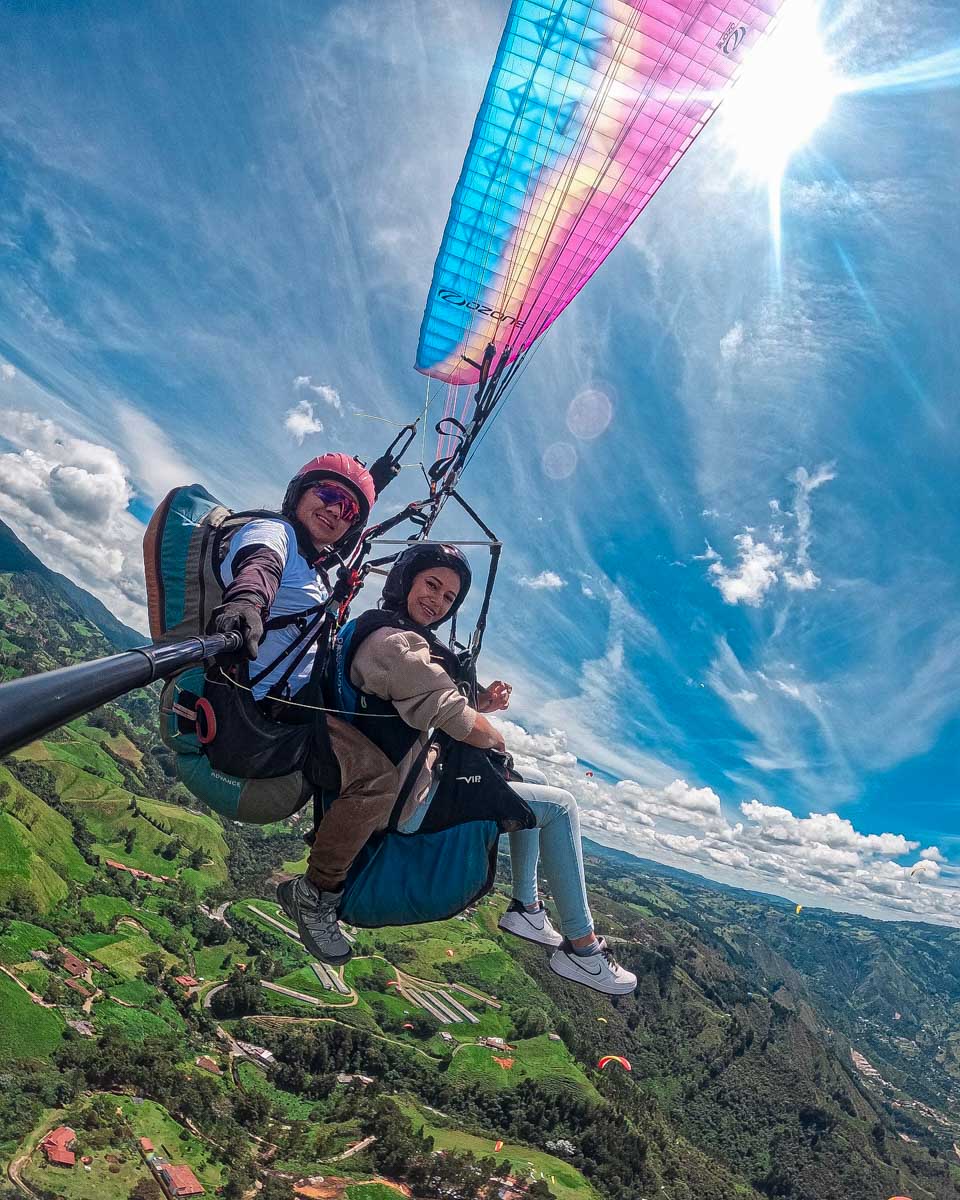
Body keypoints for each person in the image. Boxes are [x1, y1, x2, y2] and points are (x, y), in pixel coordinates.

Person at [279, 541, 637, 996]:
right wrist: (494, 736)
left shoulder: (389, 635)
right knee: (561, 806)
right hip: (408, 796)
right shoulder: (393, 643)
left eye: (448, 597)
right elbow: (456, 719)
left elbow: (421, 699)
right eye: (432, 584)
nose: (438, 600)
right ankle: (582, 950)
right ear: (405, 581)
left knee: (538, 786)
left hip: (413, 774)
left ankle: (526, 906)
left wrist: (480, 703)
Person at [209, 452, 408, 964]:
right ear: (298, 494)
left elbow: (352, 540)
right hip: (260, 718)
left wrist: (372, 486)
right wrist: (247, 604)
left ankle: (332, 839)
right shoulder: (272, 534)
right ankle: (315, 894)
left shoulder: (323, 565)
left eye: (348, 508)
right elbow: (260, 565)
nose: (336, 511)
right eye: (326, 495)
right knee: (380, 780)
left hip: (299, 704)